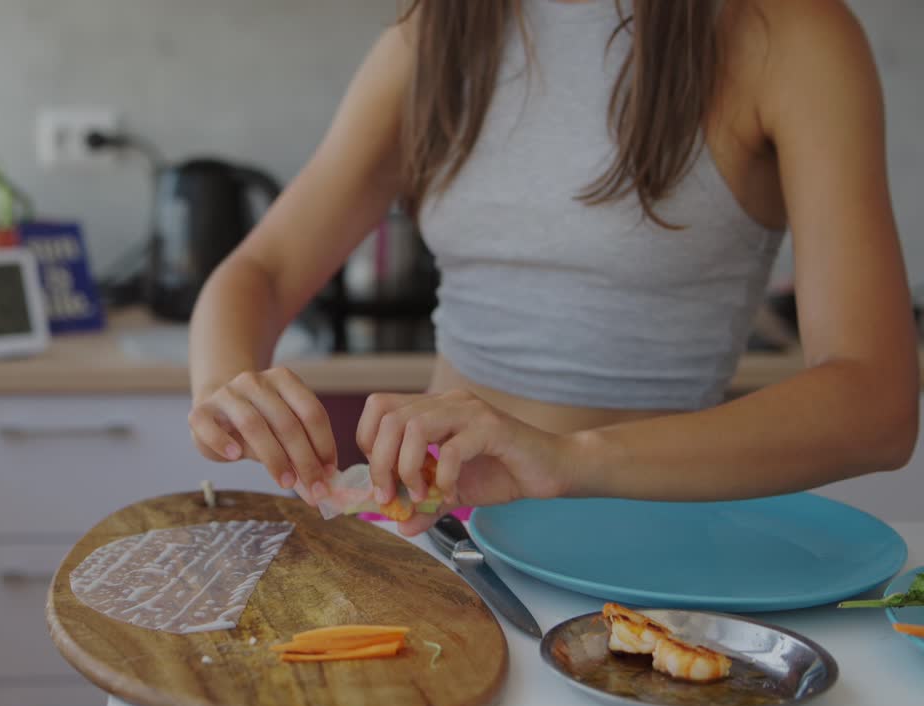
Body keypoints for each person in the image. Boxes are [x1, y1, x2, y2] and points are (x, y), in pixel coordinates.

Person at [185, 0, 919, 536]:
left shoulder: (788, 33)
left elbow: (877, 404)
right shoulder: (436, 32)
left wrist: (567, 460)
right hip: (446, 540)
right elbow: (265, 269)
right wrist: (226, 387)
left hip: (652, 557)